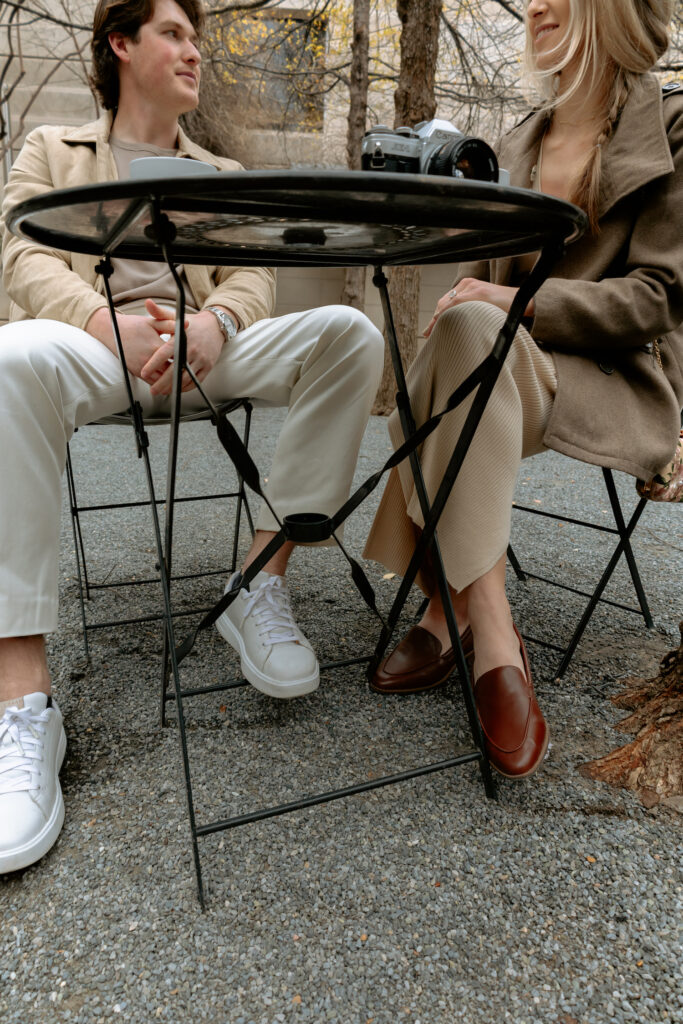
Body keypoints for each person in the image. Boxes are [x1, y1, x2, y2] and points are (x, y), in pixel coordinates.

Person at [0, 0, 384, 872]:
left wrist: (217, 318)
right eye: (173, 32)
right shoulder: (50, 150)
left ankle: (257, 584)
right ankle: (21, 702)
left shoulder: (221, 167)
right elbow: (19, 255)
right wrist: (101, 323)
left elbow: (254, 267)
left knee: (349, 334)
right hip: (101, 347)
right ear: (121, 42)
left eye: (197, 36)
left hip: (207, 348)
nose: (193, 50)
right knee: (9, 356)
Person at [364, 0, 683, 780]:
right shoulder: (516, 139)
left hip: (611, 375)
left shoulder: (670, 125)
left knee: (471, 332)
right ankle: (486, 618)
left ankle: (453, 610)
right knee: (460, 331)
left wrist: (520, 303)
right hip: (505, 375)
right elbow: (488, 293)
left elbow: (659, 299)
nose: (536, 4)